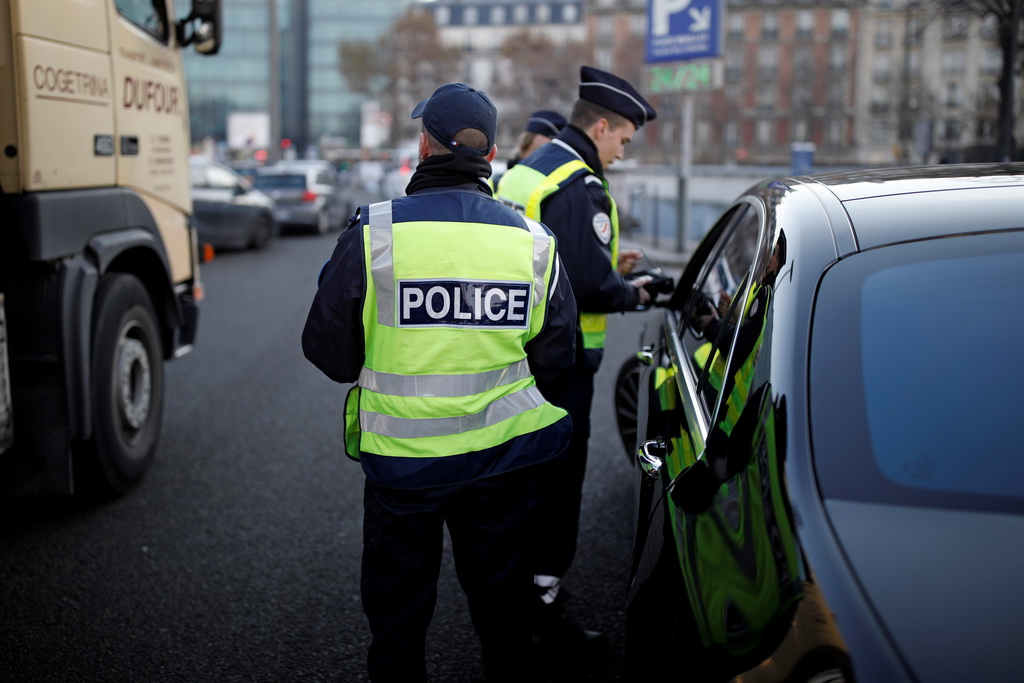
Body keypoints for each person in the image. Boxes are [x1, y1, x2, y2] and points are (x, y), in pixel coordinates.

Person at [301, 82, 577, 682]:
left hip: (402, 468)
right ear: (492, 153)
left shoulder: (375, 233)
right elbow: (558, 360)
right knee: (503, 618)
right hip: (499, 467)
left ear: (425, 145)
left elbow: (327, 351)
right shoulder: (533, 244)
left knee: (398, 625)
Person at [496, 66, 658, 645]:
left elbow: (548, 260)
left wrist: (605, 265)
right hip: (560, 363)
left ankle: (511, 590)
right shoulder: (578, 182)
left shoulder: (527, 173)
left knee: (519, 480)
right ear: (601, 126)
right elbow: (585, 287)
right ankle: (541, 607)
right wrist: (630, 292)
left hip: (516, 349)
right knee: (557, 486)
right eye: (622, 141)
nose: (620, 155)